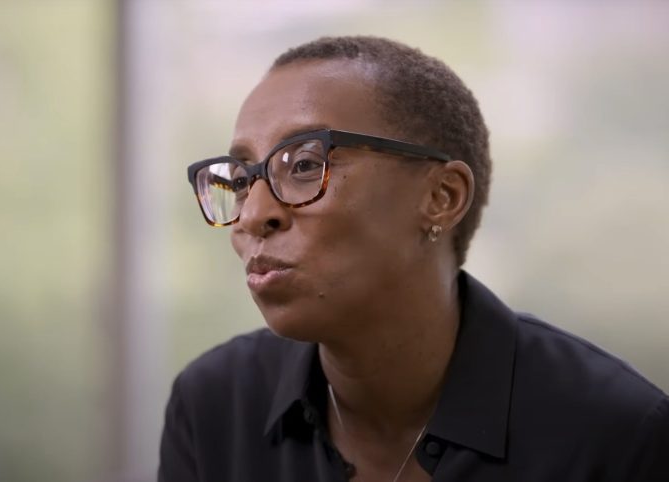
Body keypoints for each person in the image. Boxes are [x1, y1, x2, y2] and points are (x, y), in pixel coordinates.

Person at [158, 36, 669, 481]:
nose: (252, 215)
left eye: (305, 165)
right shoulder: (213, 407)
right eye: (241, 180)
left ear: (442, 197)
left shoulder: (617, 436)